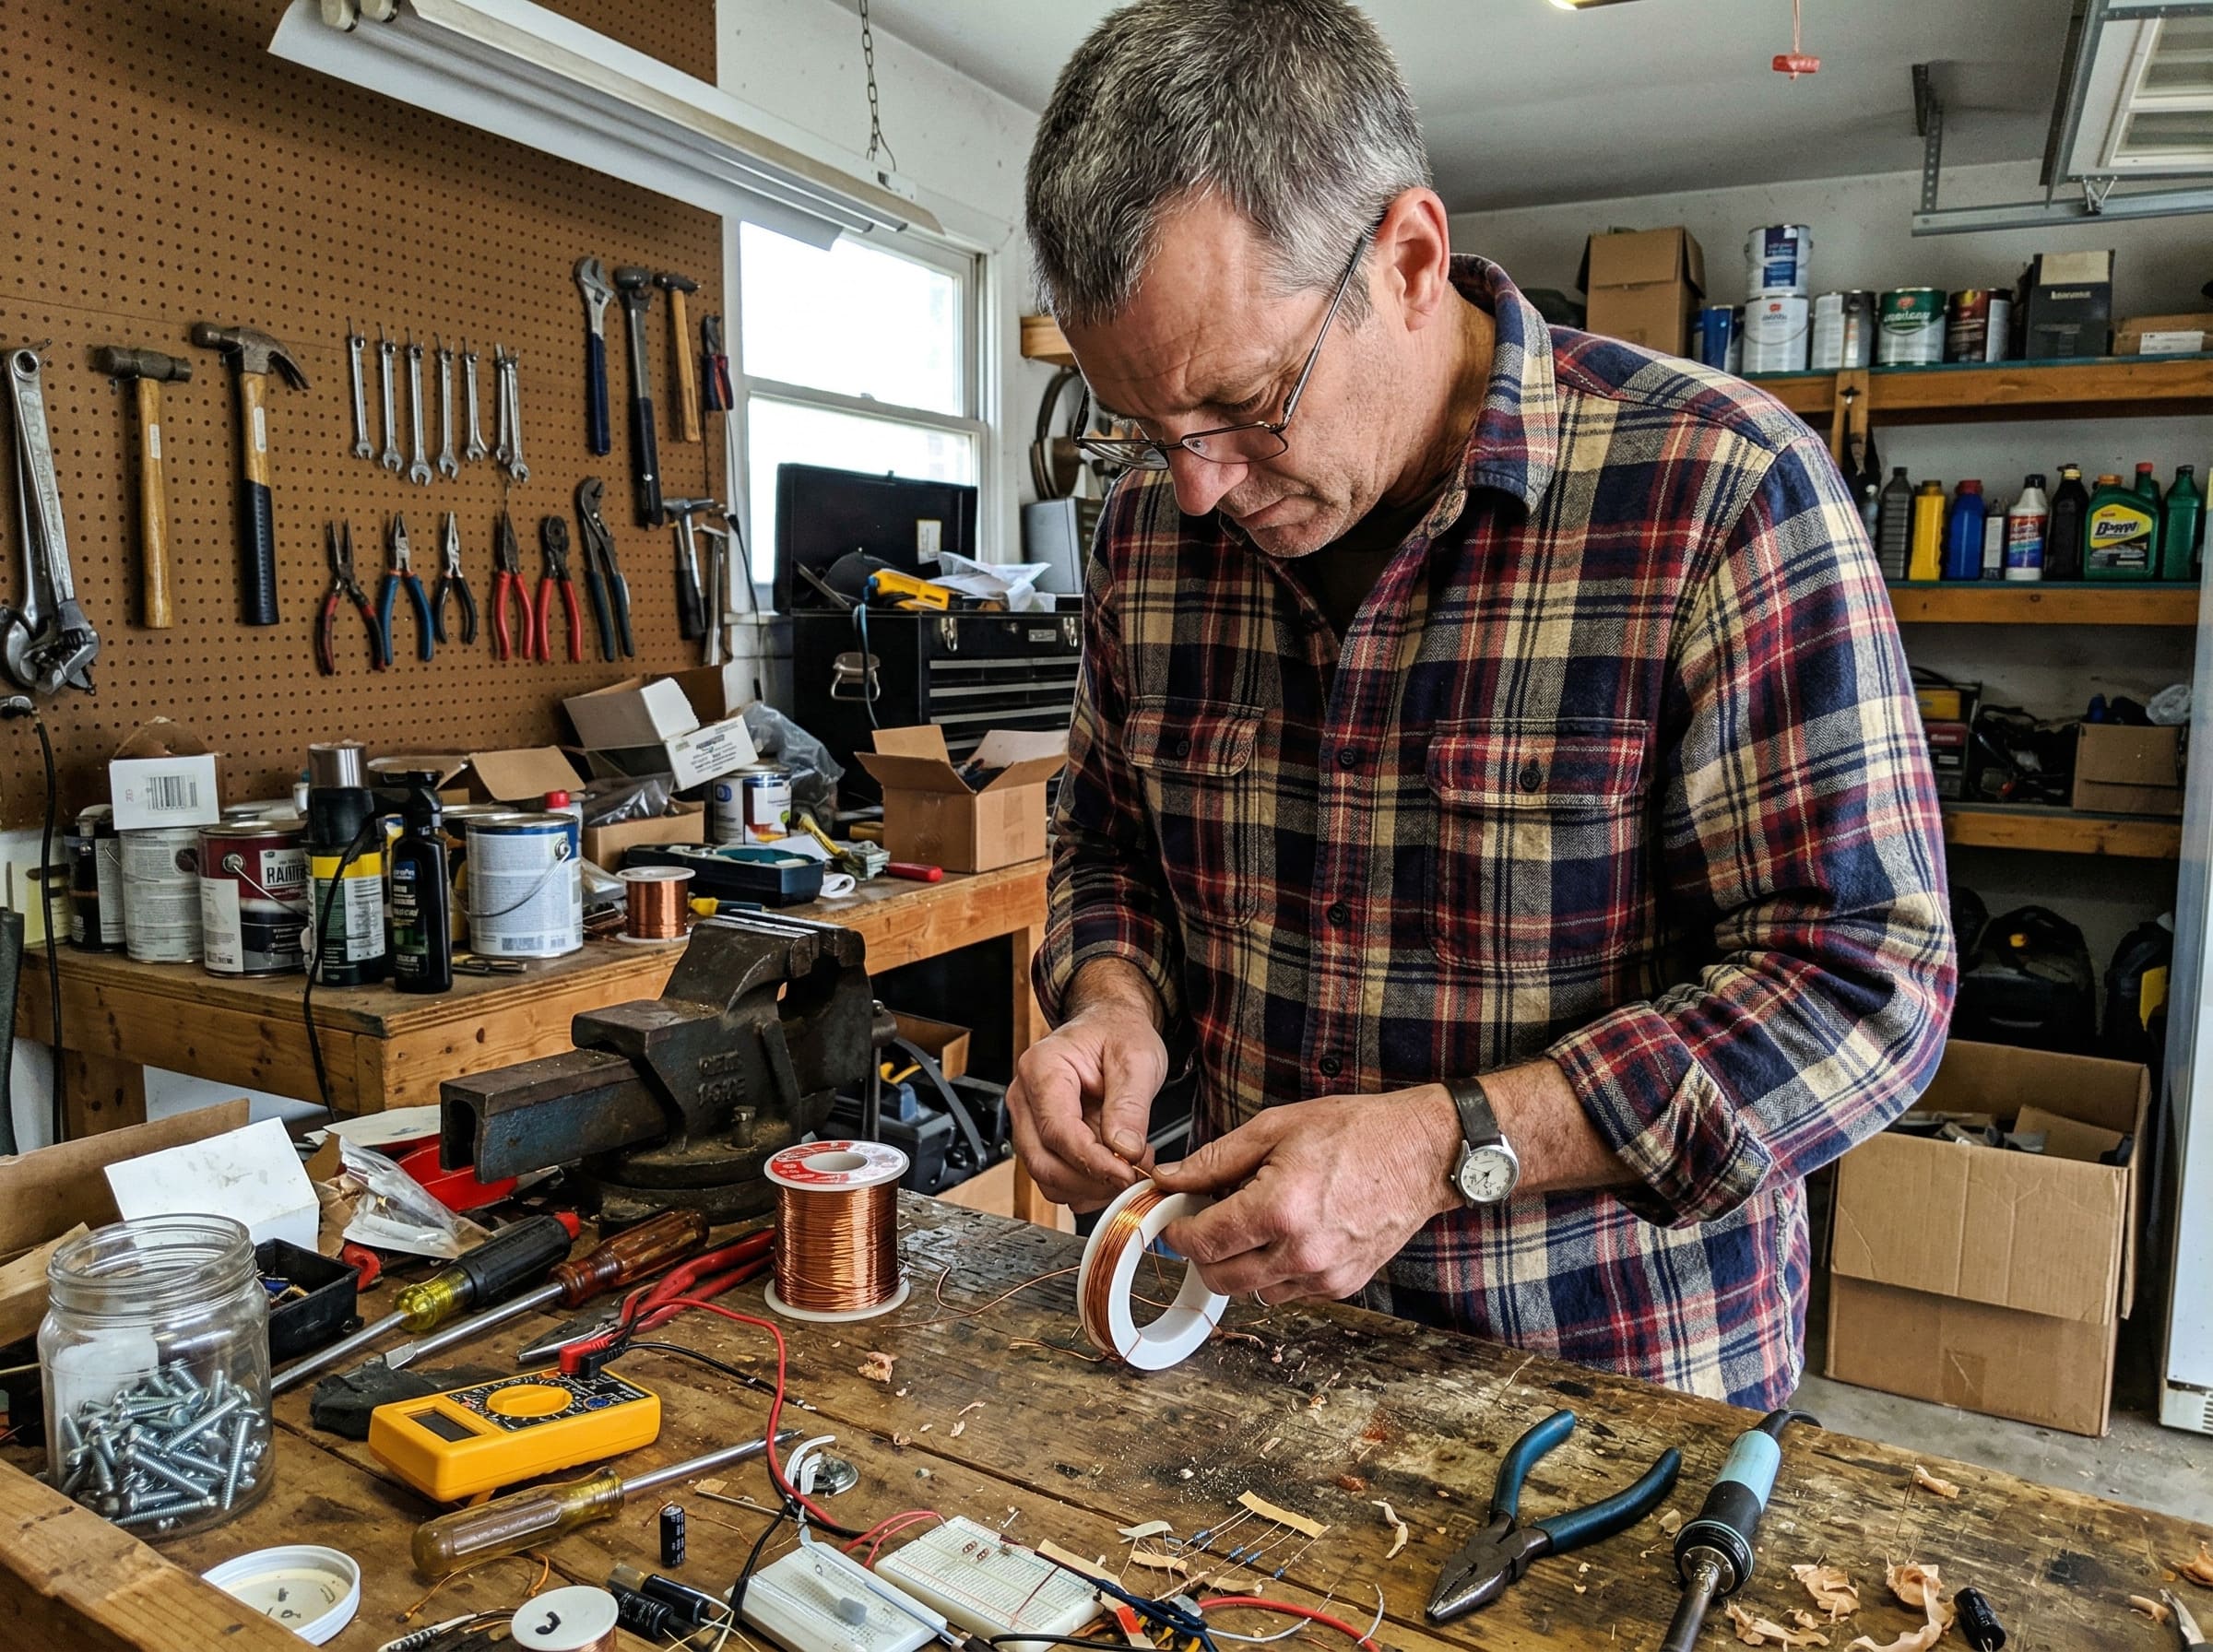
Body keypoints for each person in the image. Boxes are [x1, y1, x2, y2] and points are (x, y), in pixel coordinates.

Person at [1009, 0, 1953, 1408]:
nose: (1195, 486)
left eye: (1247, 404)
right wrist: (1111, 1000)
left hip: (1597, 1386)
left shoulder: (1721, 490)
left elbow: (1867, 986)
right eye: (1147, 429)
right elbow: (1108, 841)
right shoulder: (1153, 525)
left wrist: (1450, 1144)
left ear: (1407, 258)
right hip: (1240, 1351)